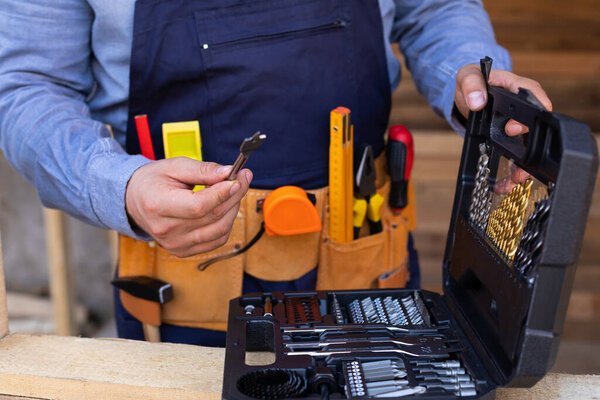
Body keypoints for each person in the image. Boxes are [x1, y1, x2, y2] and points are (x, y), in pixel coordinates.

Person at [0, 0, 551, 346]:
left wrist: (474, 76)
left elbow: (432, 9)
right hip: (182, 297)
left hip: (365, 268)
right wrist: (118, 188)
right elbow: (27, 84)